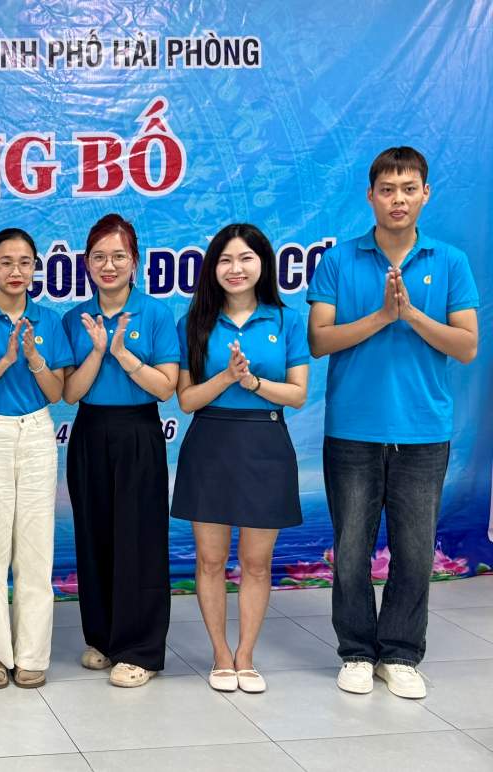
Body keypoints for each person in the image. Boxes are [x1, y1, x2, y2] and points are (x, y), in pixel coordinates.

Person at [307, 146, 479, 699]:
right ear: (370, 196)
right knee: (351, 548)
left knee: (414, 550)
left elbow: (467, 345)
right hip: (352, 431)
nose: (398, 199)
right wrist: (382, 316)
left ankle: (401, 652)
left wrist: (411, 315)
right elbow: (318, 340)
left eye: (409, 188)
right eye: (388, 189)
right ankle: (357, 649)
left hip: (424, 432)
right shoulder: (339, 260)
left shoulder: (449, 261)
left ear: (425, 194)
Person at [171, 223, 310, 694]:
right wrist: (228, 379)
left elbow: (297, 395)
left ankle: (246, 656)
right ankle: (220, 655)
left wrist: (253, 384)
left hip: (266, 446)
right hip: (209, 445)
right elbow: (186, 400)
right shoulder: (194, 323)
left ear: (262, 265)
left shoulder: (286, 320)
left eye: (245, 258)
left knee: (255, 563)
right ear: (213, 268)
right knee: (210, 561)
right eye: (226, 260)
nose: (235, 268)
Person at [61, 213, 180, 688]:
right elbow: (71, 394)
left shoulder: (154, 313)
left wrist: (121, 352)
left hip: (137, 433)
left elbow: (166, 386)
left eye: (118, 256)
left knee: (140, 539)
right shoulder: (76, 318)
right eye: (98, 257)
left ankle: (141, 648)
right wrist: (95, 350)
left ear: (135, 262)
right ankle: (104, 638)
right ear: (86, 264)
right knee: (95, 536)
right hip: (90, 431)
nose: (108, 266)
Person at [0, 228, 73, 689]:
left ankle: (31, 654)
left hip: (38, 434)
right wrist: (6, 361)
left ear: (35, 268)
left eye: (25, 262)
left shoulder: (49, 320)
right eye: (6, 262)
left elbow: (58, 393)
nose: (15, 271)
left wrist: (35, 360)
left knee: (35, 549)